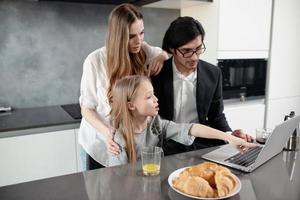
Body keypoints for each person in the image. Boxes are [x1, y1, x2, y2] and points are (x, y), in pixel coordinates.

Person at [78, 3, 168, 170]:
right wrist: (107, 133)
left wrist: (160, 58)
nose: (139, 40)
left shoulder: (142, 50)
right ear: (118, 36)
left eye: (142, 33)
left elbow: (163, 53)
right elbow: (87, 109)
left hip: (131, 146)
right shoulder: (95, 61)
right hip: (99, 143)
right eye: (132, 36)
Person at [151, 16, 253, 155]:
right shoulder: (157, 74)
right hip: (166, 145)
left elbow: (216, 116)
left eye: (198, 49)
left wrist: (230, 135)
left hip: (199, 144)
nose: (194, 57)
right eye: (186, 51)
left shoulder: (213, 73)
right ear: (172, 49)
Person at [106, 75, 256, 166]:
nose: (156, 99)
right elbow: (120, 182)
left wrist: (228, 138)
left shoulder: (156, 124)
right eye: (148, 97)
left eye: (154, 94)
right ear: (131, 105)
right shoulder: (119, 140)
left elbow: (192, 128)